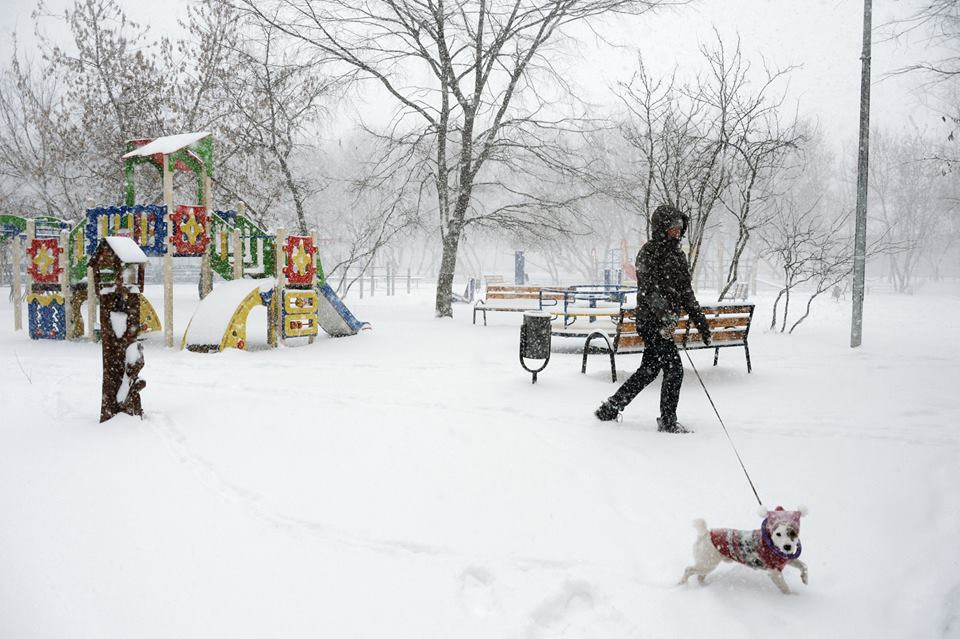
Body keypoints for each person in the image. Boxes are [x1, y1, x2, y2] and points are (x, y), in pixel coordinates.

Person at [594, 204, 711, 433]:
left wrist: (702, 323)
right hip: (650, 322)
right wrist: (664, 314)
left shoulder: (678, 256)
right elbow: (649, 291)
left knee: (648, 370)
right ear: (661, 228)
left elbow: (686, 292)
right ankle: (667, 421)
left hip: (665, 323)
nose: (677, 232)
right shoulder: (648, 253)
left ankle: (612, 406)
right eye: (673, 228)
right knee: (674, 369)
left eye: (680, 228)